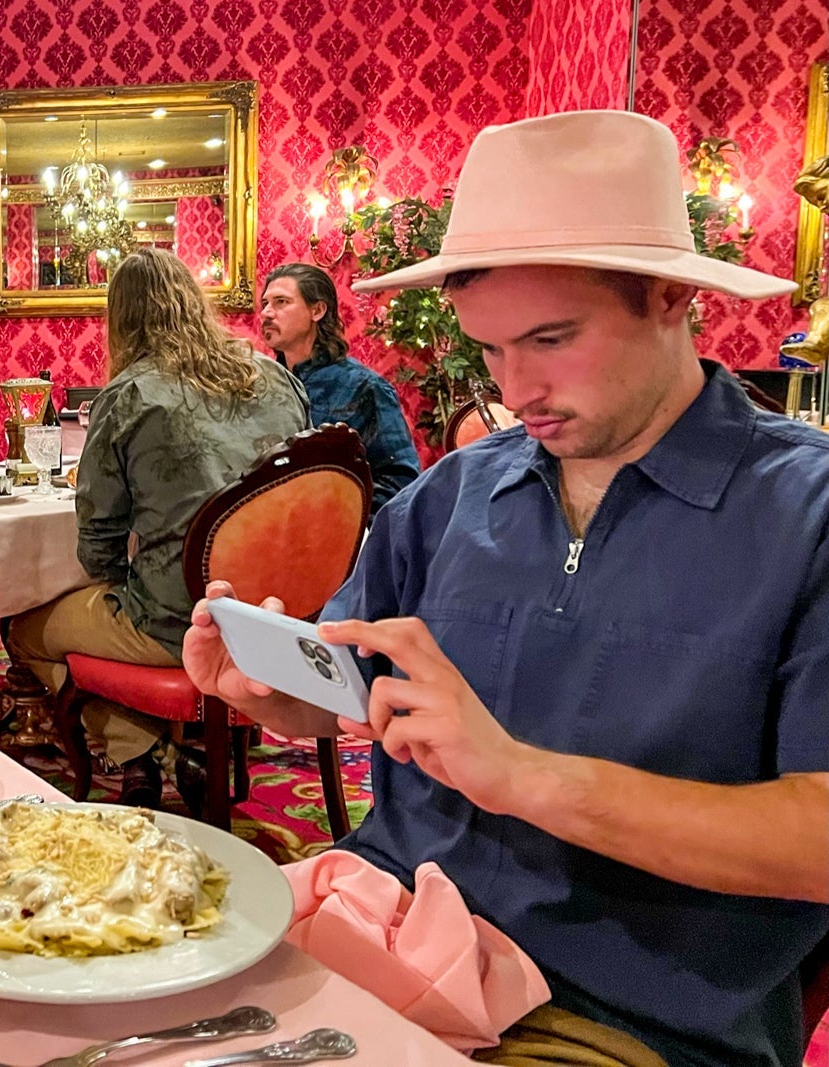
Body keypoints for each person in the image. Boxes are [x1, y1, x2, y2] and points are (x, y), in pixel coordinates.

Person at [183, 111, 828, 1067]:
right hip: (383, 925)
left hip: (618, 1013)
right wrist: (276, 691)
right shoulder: (453, 493)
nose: (516, 389)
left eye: (550, 339)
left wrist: (522, 775)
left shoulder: (805, 515)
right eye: (488, 349)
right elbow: (358, 698)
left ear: (670, 297)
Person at [7, 247, 310, 805]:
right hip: (277, 612)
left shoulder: (129, 395)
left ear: (120, 319)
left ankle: (138, 754)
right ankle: (163, 751)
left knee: (22, 628)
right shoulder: (277, 378)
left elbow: (98, 547)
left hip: (182, 623)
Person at [260, 262, 419, 514]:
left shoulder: (363, 387)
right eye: (265, 303)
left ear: (317, 310)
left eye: (281, 302)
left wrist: (339, 521)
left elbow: (400, 480)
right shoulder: (260, 386)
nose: (267, 313)